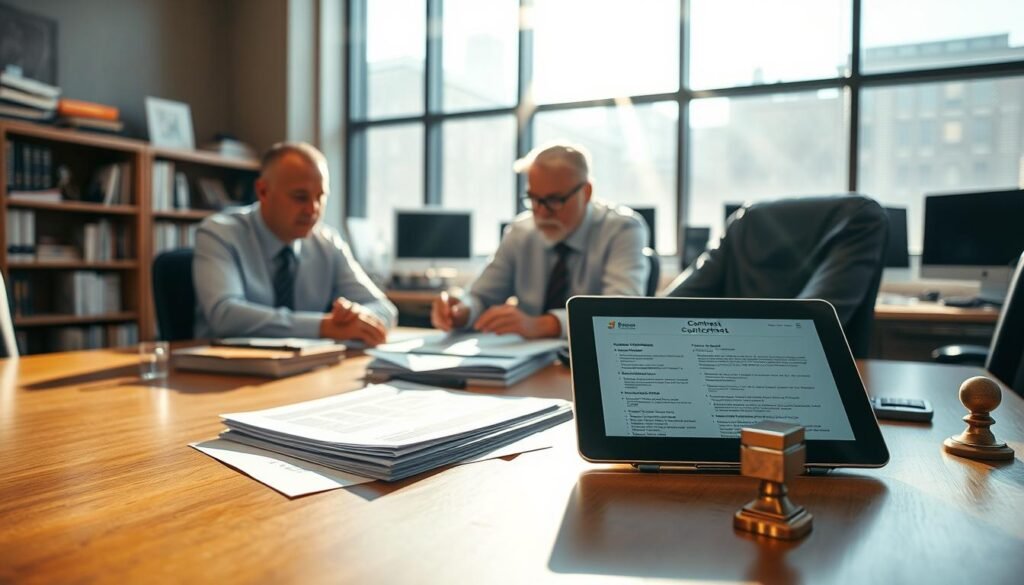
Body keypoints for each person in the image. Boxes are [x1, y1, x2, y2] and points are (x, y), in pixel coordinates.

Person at [431, 143, 649, 339]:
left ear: (587, 192)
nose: (541, 213)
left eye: (554, 200)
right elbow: (481, 296)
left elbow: (621, 312)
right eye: (534, 199)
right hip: (527, 363)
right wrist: (461, 311)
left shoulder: (623, 229)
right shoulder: (520, 231)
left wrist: (545, 325)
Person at [193, 141, 397, 345]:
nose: (313, 209)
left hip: (304, 367)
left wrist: (358, 317)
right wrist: (323, 327)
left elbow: (384, 308)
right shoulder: (219, 233)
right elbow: (225, 315)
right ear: (263, 191)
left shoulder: (327, 242)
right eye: (300, 197)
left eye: (321, 197)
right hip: (225, 369)